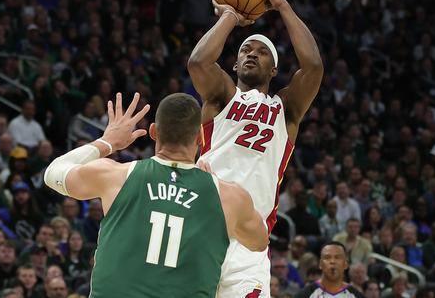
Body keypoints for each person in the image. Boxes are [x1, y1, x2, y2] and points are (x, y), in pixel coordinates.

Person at [43, 92, 268, 297]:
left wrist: (107, 142)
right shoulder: (229, 197)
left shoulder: (115, 175)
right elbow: (259, 242)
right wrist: (212, 188)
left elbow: (52, 174)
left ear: (152, 132)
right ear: (201, 136)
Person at [188, 0, 323, 297]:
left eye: (261, 52)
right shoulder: (222, 95)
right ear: (234, 64)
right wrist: (230, 17)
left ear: (274, 69)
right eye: (246, 50)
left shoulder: (285, 108)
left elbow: (314, 67)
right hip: (203, 226)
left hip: (251, 240)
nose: (251, 54)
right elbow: (198, 63)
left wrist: (282, 5)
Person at [295, 242, 364, 298]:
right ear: (320, 264)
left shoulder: (356, 296)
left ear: (345, 264)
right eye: (327, 257)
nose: (332, 261)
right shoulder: (303, 295)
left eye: (338, 257)